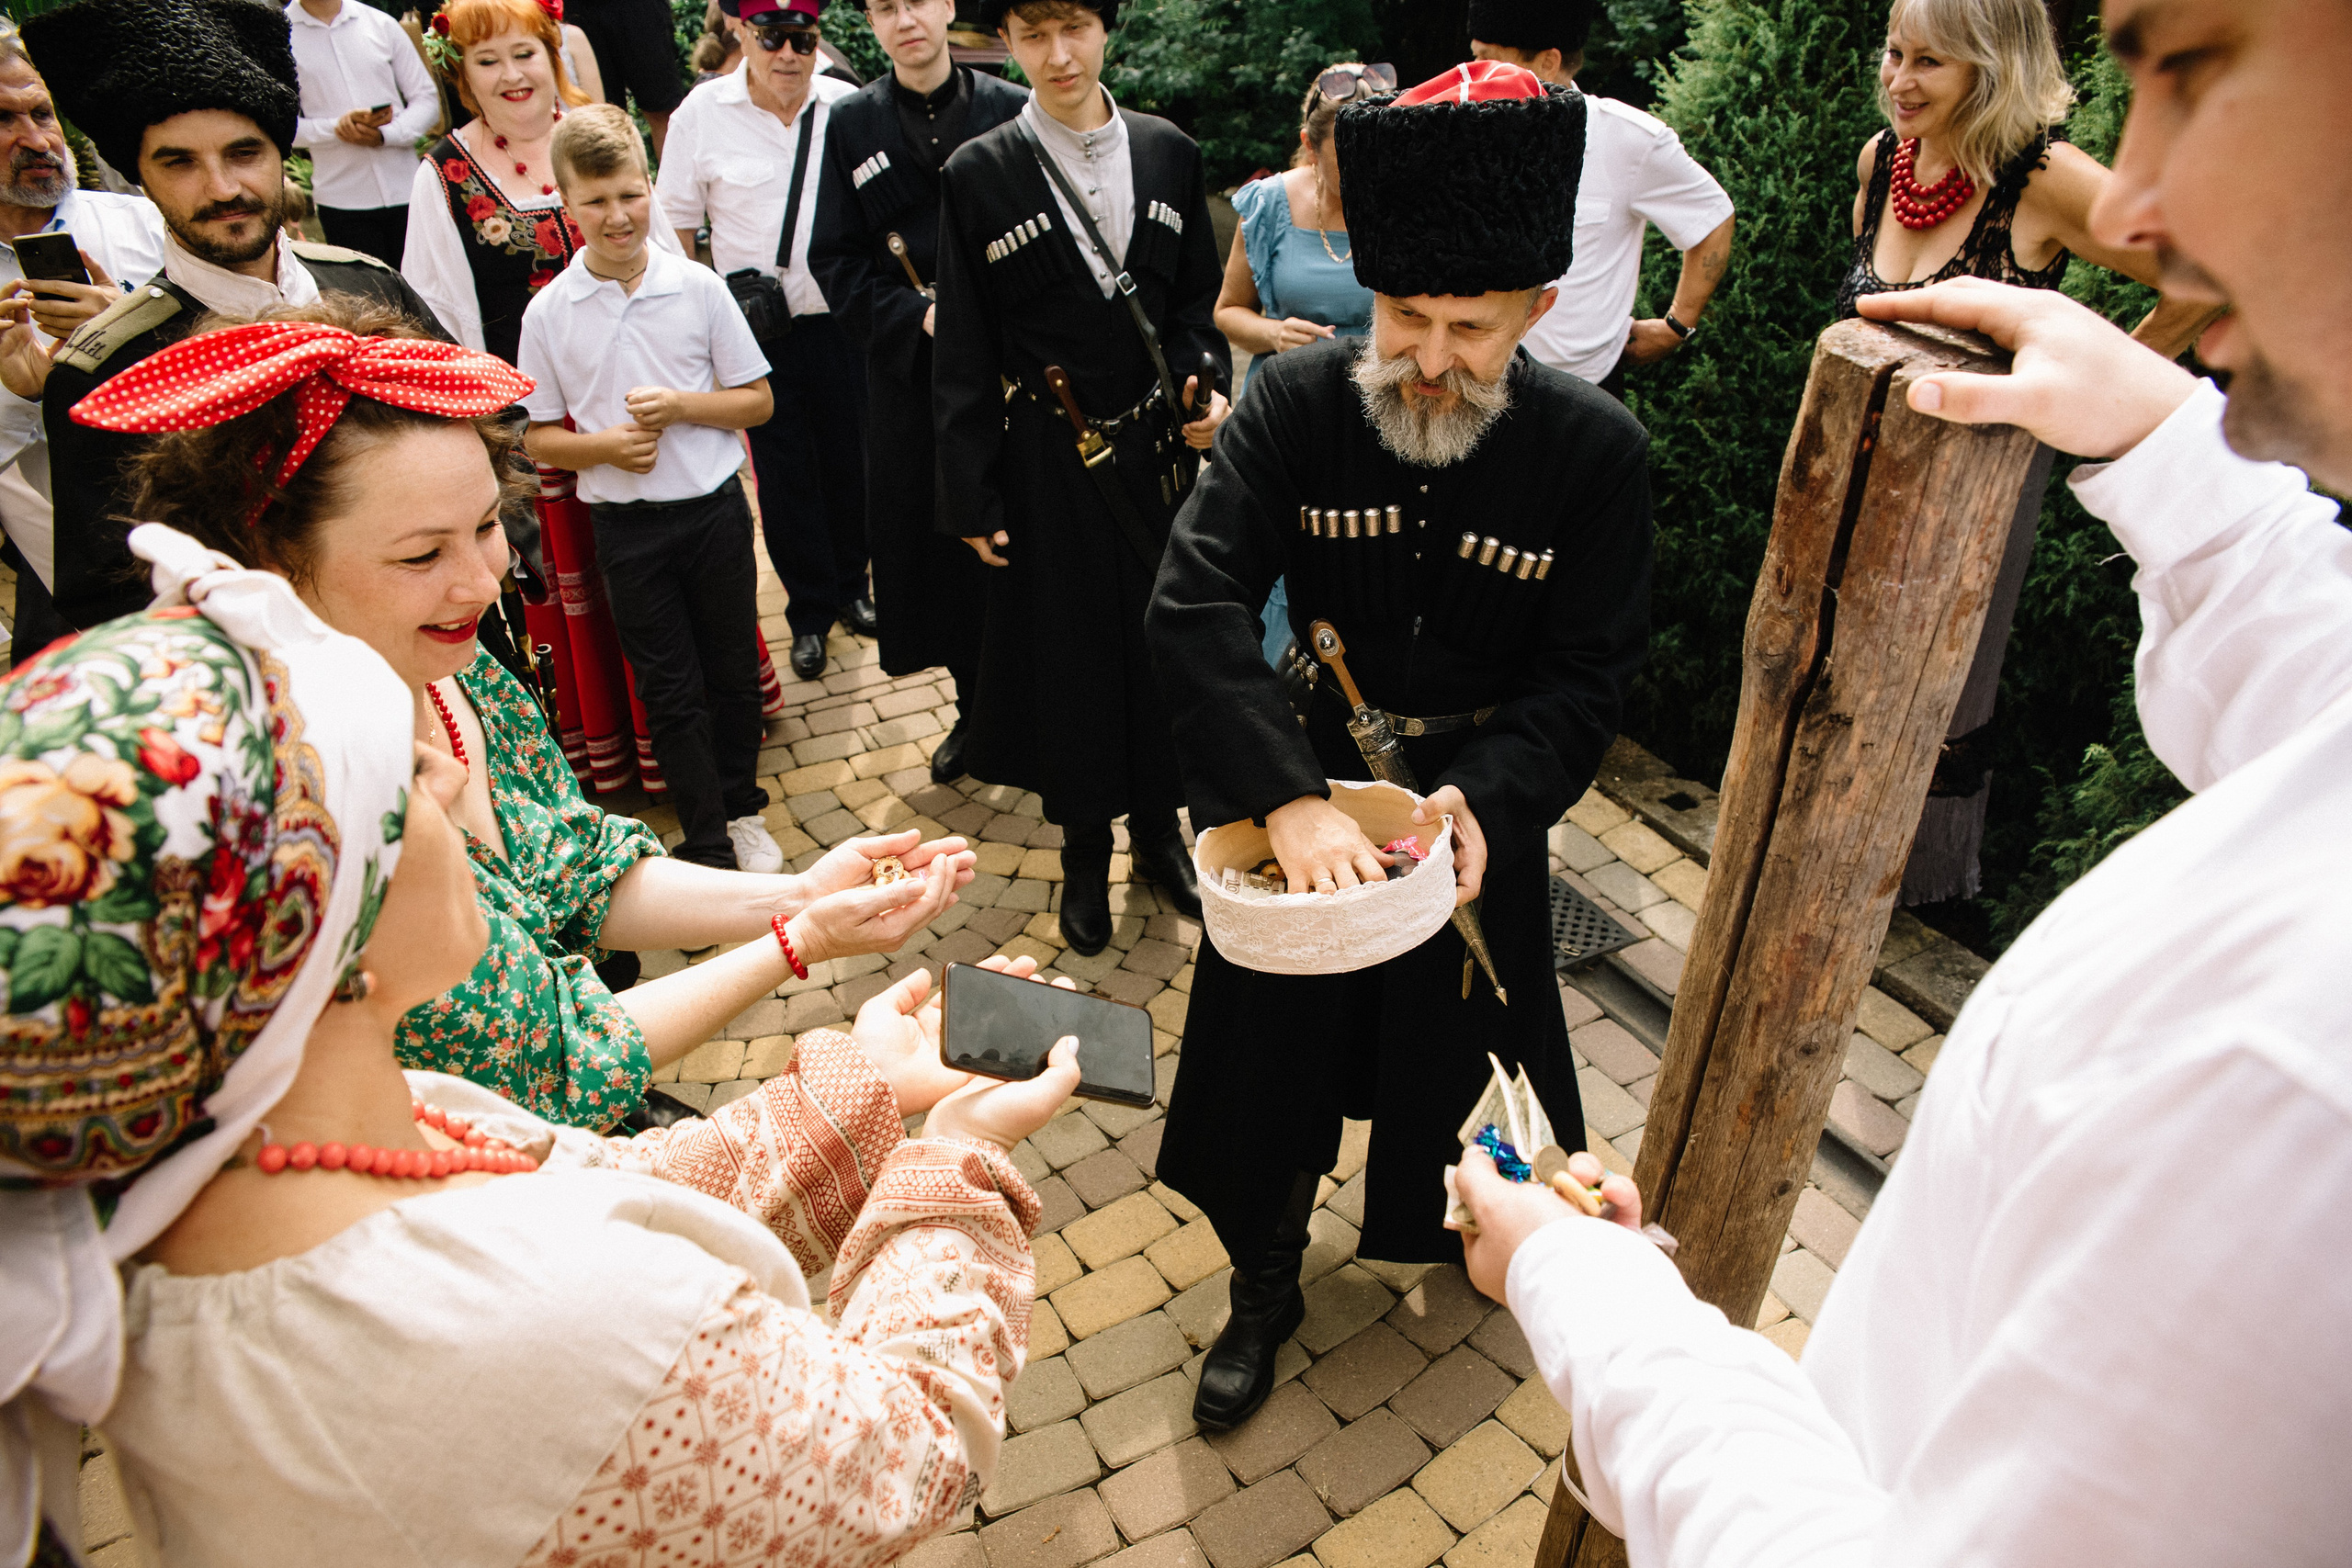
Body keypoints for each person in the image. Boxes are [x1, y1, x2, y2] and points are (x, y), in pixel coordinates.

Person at [1453, 0, 2352, 1555]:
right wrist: (2167, 437)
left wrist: (1583, 1291)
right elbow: (2313, 700)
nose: (2138, 197)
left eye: (2197, 67)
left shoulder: (2295, 1080)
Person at [0, 519, 1089, 1565]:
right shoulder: (514, 1327)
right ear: (321, 937)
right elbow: (896, 1455)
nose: (446, 777)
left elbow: (607, 1174)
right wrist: (951, 1160)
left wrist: (866, 1082)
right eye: (400, 778)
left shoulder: (289, 1149)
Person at [89, 303, 977, 1128]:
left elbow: (575, 867)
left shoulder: (457, 679)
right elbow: (552, 1056)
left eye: (485, 526)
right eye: (419, 554)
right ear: (266, 563)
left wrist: (794, 893)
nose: (481, 582)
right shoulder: (299, 810)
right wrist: (800, 937)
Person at [1146, 60, 1652, 1430]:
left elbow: (1584, 677)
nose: (1428, 360)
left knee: (1471, 1057)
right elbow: (1189, 601)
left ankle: (1483, 1239)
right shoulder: (1299, 407)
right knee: (1269, 1061)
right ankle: (1262, 1279)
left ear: (1541, 309)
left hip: (1478, 823)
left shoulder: (1598, 455)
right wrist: (1291, 799)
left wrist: (1491, 797)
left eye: (1470, 329)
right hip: (1307, 792)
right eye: (1403, 315)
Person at [1844, 0, 2214, 905]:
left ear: (1990, 66)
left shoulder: (2039, 178)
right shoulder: (1881, 160)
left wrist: (2118, 374)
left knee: (1933, 708)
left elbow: (2204, 272)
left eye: (1928, 62)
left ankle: (1902, 900)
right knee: (1832, 691)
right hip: (1850, 478)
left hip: (1971, 504)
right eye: (1894, 53)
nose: (1897, 80)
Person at [933, 0, 1228, 954]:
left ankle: (1160, 838)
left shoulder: (1171, 150)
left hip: (1151, 462)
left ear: (1106, 28)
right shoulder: (976, 174)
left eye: (1075, 28)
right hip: (1045, 464)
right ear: (1007, 43)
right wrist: (970, 492)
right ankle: (1082, 853)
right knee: (1073, 661)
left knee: (1158, 652)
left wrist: (1203, 389)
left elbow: (1192, 306)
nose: (1058, 56)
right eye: (1032, 35)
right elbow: (965, 348)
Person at [7, 0, 445, 634]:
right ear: (141, 177)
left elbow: (489, 438)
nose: (221, 188)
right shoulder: (103, 370)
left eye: (244, 153)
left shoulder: (370, 285)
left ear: (280, 154)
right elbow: (112, 598)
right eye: (179, 161)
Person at [406, 0, 697, 798]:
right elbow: (444, 320)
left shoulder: (599, 138)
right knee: (583, 588)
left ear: (553, 53)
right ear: (460, 75)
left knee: (671, 569)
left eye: (524, 54)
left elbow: (670, 260)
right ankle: (612, 746)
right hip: (537, 432)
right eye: (488, 60)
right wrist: (484, 438)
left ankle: (697, 737)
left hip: (637, 411)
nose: (512, 76)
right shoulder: (445, 174)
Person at [521, 106, 786, 875]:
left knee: (731, 671)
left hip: (713, 515)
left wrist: (680, 408)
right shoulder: (548, 313)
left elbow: (758, 400)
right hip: (626, 530)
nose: (617, 216)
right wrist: (600, 447)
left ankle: (741, 808)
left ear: (649, 189)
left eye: (631, 196)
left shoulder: (697, 287)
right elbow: (535, 435)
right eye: (596, 201)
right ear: (565, 204)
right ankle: (704, 840)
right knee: (668, 689)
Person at [808, 0, 1026, 784]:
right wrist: (916, 315)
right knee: (939, 549)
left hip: (1009, 375)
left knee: (1021, 533)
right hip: (909, 380)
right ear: (871, 19)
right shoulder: (851, 123)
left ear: (946, 8)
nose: (905, 19)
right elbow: (832, 258)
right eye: (885, 7)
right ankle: (975, 711)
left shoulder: (1010, 107)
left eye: (917, 1)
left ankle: (1032, 704)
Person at [662, 0, 871, 685]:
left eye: (803, 40)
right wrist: (702, 322)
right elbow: (676, 229)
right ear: (743, 35)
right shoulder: (701, 114)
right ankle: (808, 613)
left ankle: (851, 586)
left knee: (851, 461)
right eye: (773, 38)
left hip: (844, 319)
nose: (788, 54)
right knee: (783, 475)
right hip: (758, 333)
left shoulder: (848, 106)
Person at [0, 23, 166, 660]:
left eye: (42, 112)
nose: (38, 140)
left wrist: (124, 338)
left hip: (206, 526)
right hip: (71, 576)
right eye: (4, 119)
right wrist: (23, 397)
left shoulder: (146, 224)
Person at [1468, 0, 1735, 397]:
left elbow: (1712, 218)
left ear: (1547, 62)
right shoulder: (1459, 131)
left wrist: (1676, 326)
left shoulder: (1628, 140)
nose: (1472, 75)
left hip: (1583, 397)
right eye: (1473, 58)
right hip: (1470, 387)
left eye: (1488, 60)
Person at [1211, 61, 1380, 667]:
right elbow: (1228, 312)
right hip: (1287, 413)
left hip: (1377, 419)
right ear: (1310, 145)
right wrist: (1275, 332)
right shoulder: (1267, 206)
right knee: (1280, 557)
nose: (1359, 181)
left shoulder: (1405, 201)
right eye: (1341, 166)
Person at [285, 0, 440, 265]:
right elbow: (281, 124)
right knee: (372, 300)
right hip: (342, 200)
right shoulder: (281, 35)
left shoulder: (380, 24)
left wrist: (387, 135)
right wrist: (336, 128)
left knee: (427, 294)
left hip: (408, 190)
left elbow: (427, 100)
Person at [564, 0, 686, 157]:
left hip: (638, 8)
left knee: (664, 110)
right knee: (603, 122)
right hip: (578, 11)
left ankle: (677, 180)